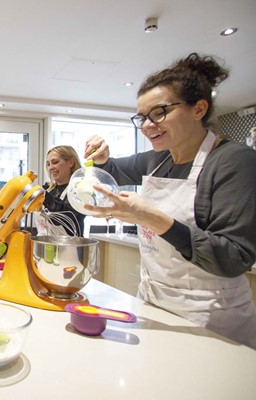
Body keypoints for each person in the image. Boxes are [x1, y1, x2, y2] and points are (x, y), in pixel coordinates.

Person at [84, 53, 256, 349]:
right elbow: (111, 168)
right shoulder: (158, 159)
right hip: (154, 302)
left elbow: (233, 257)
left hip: (211, 316)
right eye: (141, 117)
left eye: (159, 112)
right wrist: (101, 158)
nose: (147, 125)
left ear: (199, 108)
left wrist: (152, 218)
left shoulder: (233, 161)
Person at [42, 145, 85, 236]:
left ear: (71, 162)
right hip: (46, 245)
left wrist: (44, 196)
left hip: (71, 247)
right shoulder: (49, 189)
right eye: (48, 164)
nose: (50, 167)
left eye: (55, 162)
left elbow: (66, 216)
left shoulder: (80, 190)